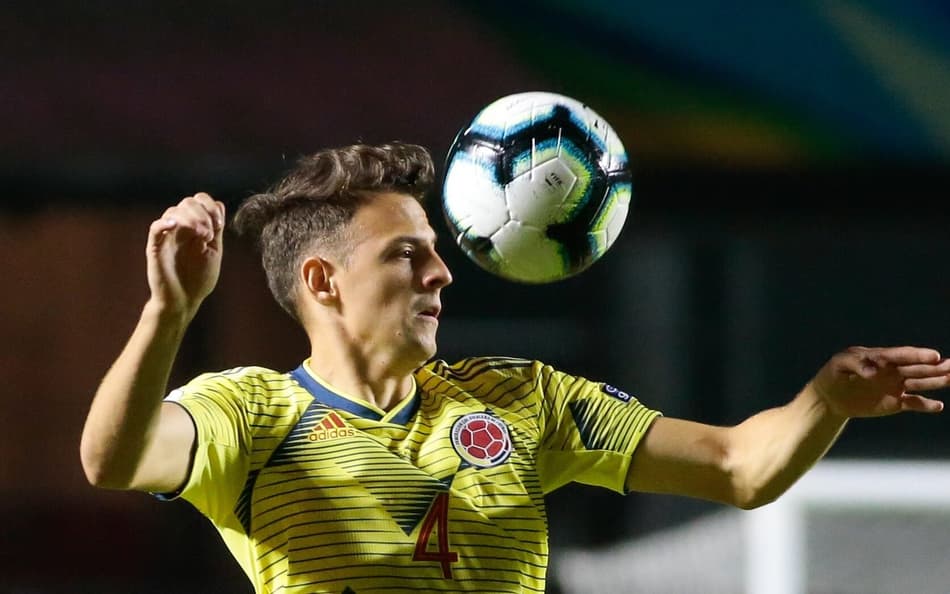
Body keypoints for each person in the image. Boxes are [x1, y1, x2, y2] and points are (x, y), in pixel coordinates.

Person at [80, 142, 949, 594]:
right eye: (405, 256)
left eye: (436, 252)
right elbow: (111, 460)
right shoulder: (250, 414)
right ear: (323, 281)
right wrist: (170, 311)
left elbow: (738, 468)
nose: (441, 274)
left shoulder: (517, 397)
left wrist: (824, 400)